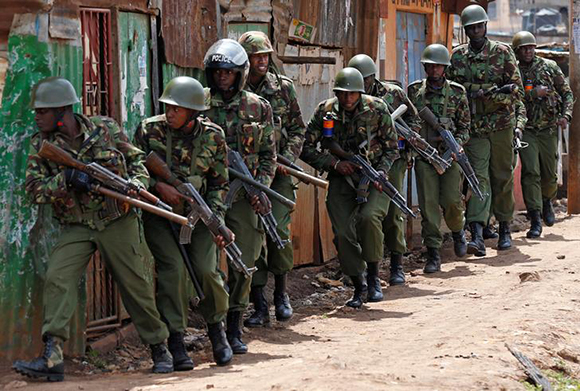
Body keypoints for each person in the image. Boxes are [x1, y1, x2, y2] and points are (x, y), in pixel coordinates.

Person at [14, 77, 173, 381]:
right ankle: (53, 355)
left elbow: (135, 159)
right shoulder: (42, 145)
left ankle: (158, 346)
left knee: (135, 285)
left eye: (42, 112)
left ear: (62, 111)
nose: (37, 117)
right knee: (57, 278)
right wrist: (67, 181)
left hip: (116, 220)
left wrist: (138, 183)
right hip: (77, 224)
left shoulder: (106, 129)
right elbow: (34, 190)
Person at [134, 76, 234, 367]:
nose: (170, 113)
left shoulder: (214, 136)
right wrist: (156, 186)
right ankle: (176, 341)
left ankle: (217, 330)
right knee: (173, 271)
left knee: (205, 270)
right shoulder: (149, 130)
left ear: (194, 112)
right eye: (168, 107)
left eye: (177, 109)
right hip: (161, 214)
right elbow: (134, 167)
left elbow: (219, 184)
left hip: (198, 217)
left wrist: (216, 221)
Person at [301, 67, 398, 308]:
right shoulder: (325, 111)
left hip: (373, 176)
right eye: (342, 94)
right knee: (343, 233)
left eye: (352, 94)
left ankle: (374, 278)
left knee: (369, 219)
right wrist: (334, 163)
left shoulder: (377, 109)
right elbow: (306, 148)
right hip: (341, 179)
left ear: (360, 93)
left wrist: (382, 172)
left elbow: (392, 148)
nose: (347, 99)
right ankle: (358, 284)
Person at [203, 39, 276, 354]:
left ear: (240, 74)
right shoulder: (199, 102)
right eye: (218, 72)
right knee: (206, 263)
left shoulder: (258, 106)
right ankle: (214, 325)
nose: (222, 77)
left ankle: (235, 326)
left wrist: (259, 187)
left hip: (245, 195)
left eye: (229, 73)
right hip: (207, 196)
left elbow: (268, 153)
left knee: (244, 261)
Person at [238, 31, 306, 327]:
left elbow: (298, 130)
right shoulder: (231, 90)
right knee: (252, 239)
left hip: (278, 175)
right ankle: (259, 303)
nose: (262, 61)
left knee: (277, 231)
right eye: (256, 57)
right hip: (244, 176)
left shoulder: (283, 89)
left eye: (265, 56)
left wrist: (286, 159)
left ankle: (281, 294)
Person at [447, 4, 524, 256]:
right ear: (466, 31)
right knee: (477, 178)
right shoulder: (457, 56)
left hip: (501, 125)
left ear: (486, 26)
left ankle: (503, 228)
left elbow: (516, 90)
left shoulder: (502, 53)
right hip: (475, 128)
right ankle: (477, 234)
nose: (476, 31)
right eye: (471, 28)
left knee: (502, 176)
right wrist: (474, 92)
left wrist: (489, 97)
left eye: (479, 26)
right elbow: (452, 91)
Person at [348, 53, 422, 286]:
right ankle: (363, 266)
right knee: (362, 213)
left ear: (373, 78)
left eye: (366, 81)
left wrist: (405, 148)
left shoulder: (393, 94)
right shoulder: (349, 96)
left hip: (392, 160)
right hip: (363, 162)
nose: (363, 86)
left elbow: (414, 122)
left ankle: (397, 264)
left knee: (392, 212)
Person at [407, 44, 471, 272]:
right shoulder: (414, 91)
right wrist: (413, 149)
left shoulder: (457, 92)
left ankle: (457, 231)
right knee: (428, 205)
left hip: (449, 157)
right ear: (425, 67)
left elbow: (465, 127)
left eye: (438, 66)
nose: (434, 70)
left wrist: (456, 146)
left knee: (453, 201)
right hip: (425, 158)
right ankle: (433, 252)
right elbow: (408, 125)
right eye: (430, 65)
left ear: (445, 68)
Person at [511, 31, 573, 237]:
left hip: (548, 129)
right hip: (526, 129)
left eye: (531, 47)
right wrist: (532, 94)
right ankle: (535, 218)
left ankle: (547, 202)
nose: (528, 51)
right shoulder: (514, 71)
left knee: (548, 174)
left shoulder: (549, 67)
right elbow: (512, 96)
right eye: (524, 48)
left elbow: (566, 93)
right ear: (517, 51)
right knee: (530, 173)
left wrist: (566, 115)